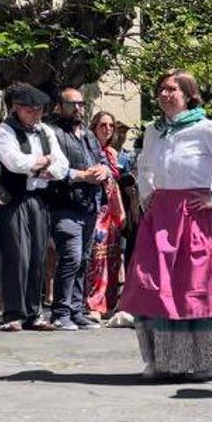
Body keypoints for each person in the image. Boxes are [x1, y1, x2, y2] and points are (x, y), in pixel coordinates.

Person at [120, 70, 212, 380]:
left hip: (195, 212)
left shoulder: (206, 129)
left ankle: (205, 359)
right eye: (161, 89)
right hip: (162, 215)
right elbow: (144, 166)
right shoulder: (154, 130)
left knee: (196, 283)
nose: (166, 95)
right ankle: (159, 358)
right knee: (154, 282)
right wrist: (148, 195)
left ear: (189, 94)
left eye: (173, 89)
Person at [0, 85, 69, 331]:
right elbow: (14, 162)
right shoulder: (5, 130)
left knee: (37, 255)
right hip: (13, 199)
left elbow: (62, 166)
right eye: (29, 110)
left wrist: (43, 168)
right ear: (16, 109)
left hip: (39, 198)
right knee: (17, 255)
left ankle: (34, 312)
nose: (35, 115)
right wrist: (42, 164)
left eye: (39, 110)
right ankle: (13, 312)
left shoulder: (46, 131)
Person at [45, 88, 109, 330]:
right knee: (70, 258)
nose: (78, 109)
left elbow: (101, 160)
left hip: (90, 205)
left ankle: (76, 310)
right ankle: (60, 312)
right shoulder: (54, 133)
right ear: (60, 106)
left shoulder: (89, 136)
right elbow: (53, 169)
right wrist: (83, 176)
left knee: (83, 260)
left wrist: (103, 170)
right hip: (65, 205)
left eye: (81, 104)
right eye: (72, 104)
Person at [86, 111, 126, 319]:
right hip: (96, 208)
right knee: (96, 257)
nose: (107, 129)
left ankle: (108, 302)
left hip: (111, 209)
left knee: (112, 257)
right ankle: (94, 303)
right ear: (94, 127)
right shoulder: (88, 149)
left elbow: (115, 183)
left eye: (111, 125)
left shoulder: (111, 152)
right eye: (102, 125)